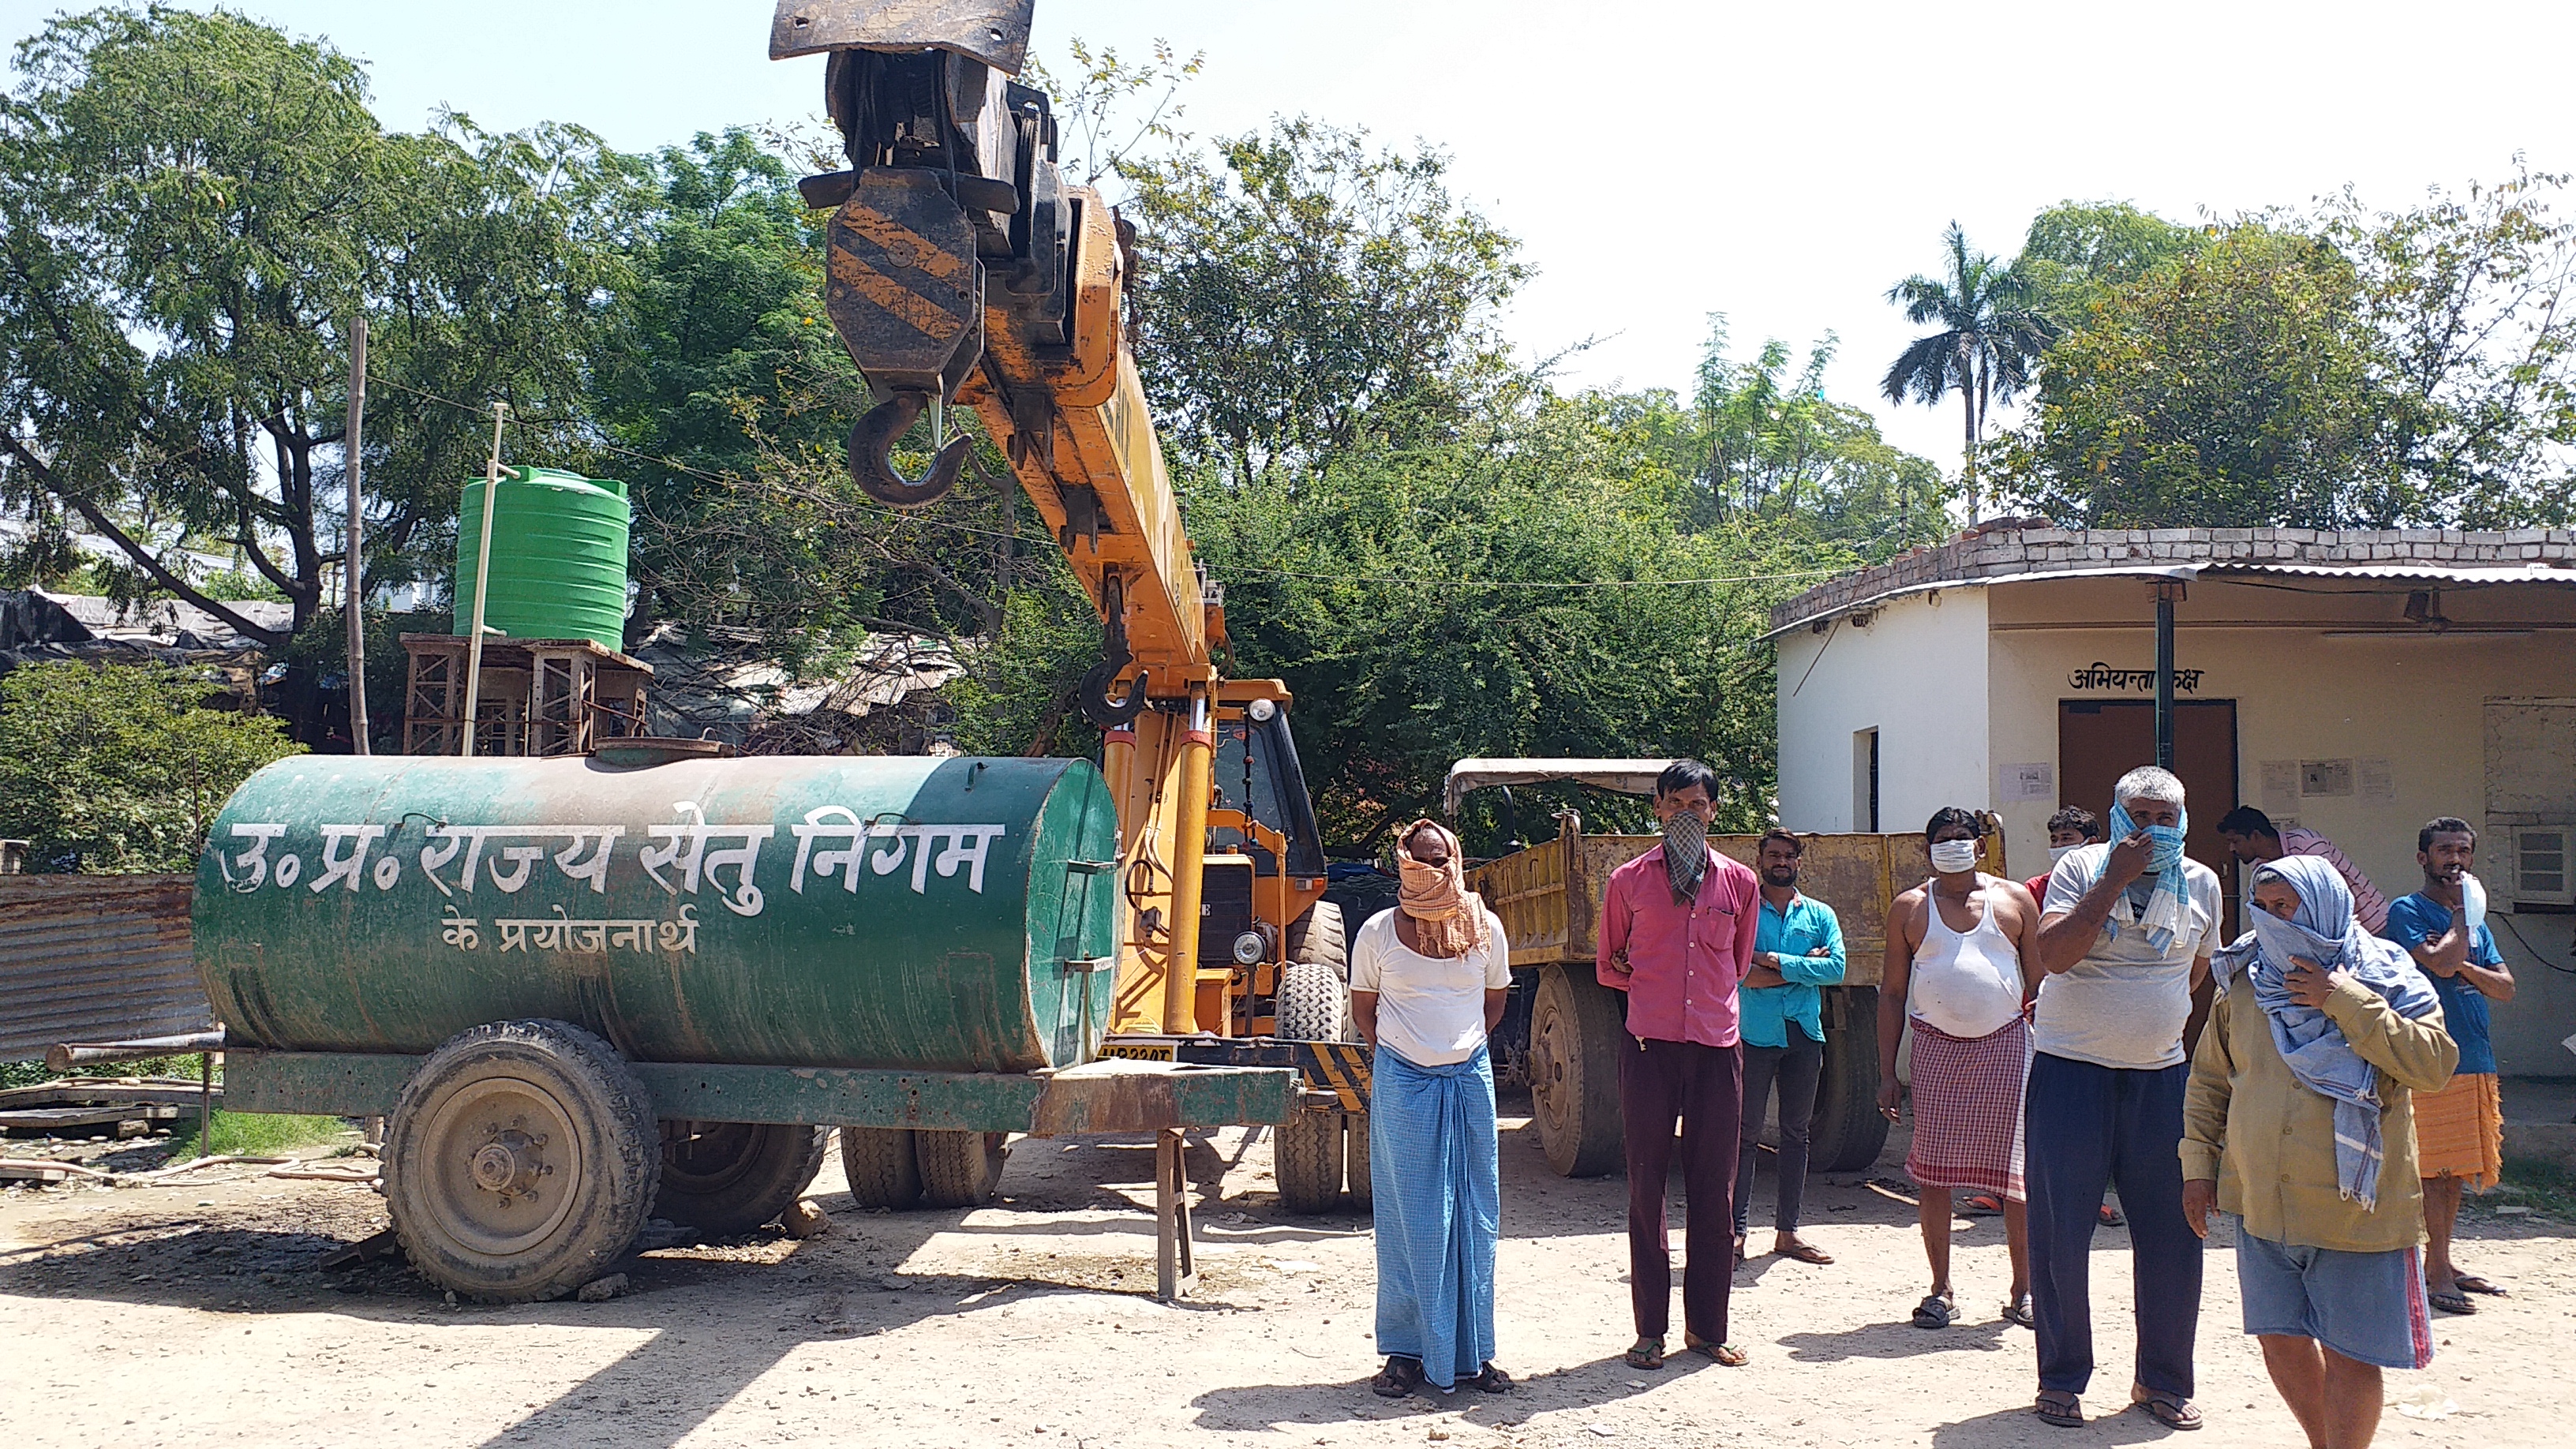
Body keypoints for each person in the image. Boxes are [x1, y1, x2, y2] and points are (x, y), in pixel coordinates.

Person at [2185, 857, 2455, 1449]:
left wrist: (2344, 999)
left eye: (2290, 908)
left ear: (2328, 905)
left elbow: (2434, 1065)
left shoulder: (2387, 975)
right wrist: (2197, 1169)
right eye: (2267, 908)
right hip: (2263, 1200)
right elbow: (2210, 1080)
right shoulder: (2247, 979)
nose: (2277, 921)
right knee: (2279, 1339)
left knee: (2351, 1353)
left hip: (2356, 1207)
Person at [2027, 765, 2221, 1431]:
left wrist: (2146, 1016)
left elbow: (2197, 974)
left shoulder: (2203, 883)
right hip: (2070, 1072)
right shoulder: (2081, 868)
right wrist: (2113, 880)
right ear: (2115, 817)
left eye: (2165, 819)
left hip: (2160, 1077)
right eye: (2138, 817)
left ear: (2183, 822)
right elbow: (2053, 954)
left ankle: (2162, 1381)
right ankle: (2061, 1379)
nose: (2152, 831)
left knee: (2174, 1232)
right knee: (2059, 1234)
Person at [1598, 758, 1759, 1370]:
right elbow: (1608, 961)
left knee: (1714, 1192)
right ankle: (1650, 1332)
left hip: (1717, 1050)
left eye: (1700, 805)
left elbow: (1739, 964)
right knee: (1647, 1187)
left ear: (1714, 812)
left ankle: (1708, 1330)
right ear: (1659, 809)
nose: (1688, 814)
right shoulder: (1629, 881)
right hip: (1648, 1049)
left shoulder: (1739, 883)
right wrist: (1651, 994)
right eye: (1677, 804)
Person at [1351, 819, 1515, 1398]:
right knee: (1409, 1220)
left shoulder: (1485, 929)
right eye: (1417, 861)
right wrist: (1411, 1057)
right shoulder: (1377, 932)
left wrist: (1456, 1052)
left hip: (1469, 1079)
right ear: (1403, 865)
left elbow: (1493, 1004)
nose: (1429, 871)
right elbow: (1364, 1011)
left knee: (1476, 1216)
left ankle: (1474, 1354)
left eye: (1439, 860)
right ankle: (1404, 1353)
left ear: (1456, 861)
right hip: (1403, 1081)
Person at [1879, 808, 2046, 1331]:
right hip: (1935, 1050)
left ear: (1981, 846)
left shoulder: (2015, 900)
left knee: (2016, 1177)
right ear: (1927, 849)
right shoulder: (1910, 907)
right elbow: (1892, 993)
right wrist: (1887, 1072)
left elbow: (2041, 985)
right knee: (1934, 1174)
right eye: (1943, 839)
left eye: (1962, 837)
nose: (1953, 845)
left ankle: (2024, 1291)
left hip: (2008, 1048)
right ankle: (1940, 1290)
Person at [2378, 817, 2518, 1315]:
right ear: (2424, 859)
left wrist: (2459, 958)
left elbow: (2505, 988)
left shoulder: (2477, 923)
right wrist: (2460, 922)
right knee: (2432, 1172)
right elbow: (2436, 964)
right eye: (2444, 851)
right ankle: (2434, 1273)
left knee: (2454, 1172)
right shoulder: (2407, 911)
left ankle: (2442, 1261)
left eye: (2463, 850)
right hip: (2429, 1055)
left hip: (2474, 1054)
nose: (2454, 860)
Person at [1733, 828, 1846, 1269]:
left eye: (1789, 856)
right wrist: (1805, 968)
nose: (1781, 861)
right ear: (1760, 860)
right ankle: (1736, 1233)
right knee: (1745, 1134)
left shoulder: (1820, 914)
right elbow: (1740, 972)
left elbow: (1836, 967)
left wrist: (1775, 961)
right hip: (1754, 1032)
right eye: (1774, 854)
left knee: (1796, 1134)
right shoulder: (1743, 912)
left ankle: (1788, 1232)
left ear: (1799, 862)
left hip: (1804, 1034)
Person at [2218, 807, 2390, 935]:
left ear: (2255, 836)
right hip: (2327, 937)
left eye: (2236, 841)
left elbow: (2329, 898)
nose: (2232, 849)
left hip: (2370, 924)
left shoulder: (2306, 843)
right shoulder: (2261, 868)